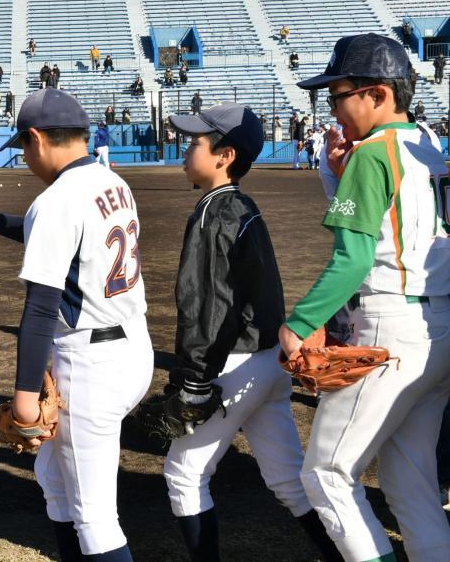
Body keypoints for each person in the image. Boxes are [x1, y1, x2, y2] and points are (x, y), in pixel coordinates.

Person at [0, 87, 152, 562]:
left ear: (38, 138)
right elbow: (58, 234)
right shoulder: (111, 181)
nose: (24, 157)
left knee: (95, 517)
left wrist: (25, 394)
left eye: (23, 146)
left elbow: (41, 306)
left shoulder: (57, 198)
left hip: (91, 363)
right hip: (131, 348)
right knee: (54, 479)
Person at [281, 32, 450, 562]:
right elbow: (396, 225)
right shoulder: (427, 142)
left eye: (338, 94)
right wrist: (337, 177)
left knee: (326, 473)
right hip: (437, 326)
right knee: (410, 482)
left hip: (389, 326)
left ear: (377, 94)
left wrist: (301, 320)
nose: (332, 106)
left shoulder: (372, 154)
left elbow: (354, 259)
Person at [164, 103, 342, 561]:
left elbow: (205, 307)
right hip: (268, 361)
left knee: (184, 476)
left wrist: (193, 380)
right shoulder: (243, 204)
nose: (185, 152)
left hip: (234, 362)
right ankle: (345, 553)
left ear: (224, 155)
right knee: (288, 479)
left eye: (195, 144)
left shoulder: (212, 214)